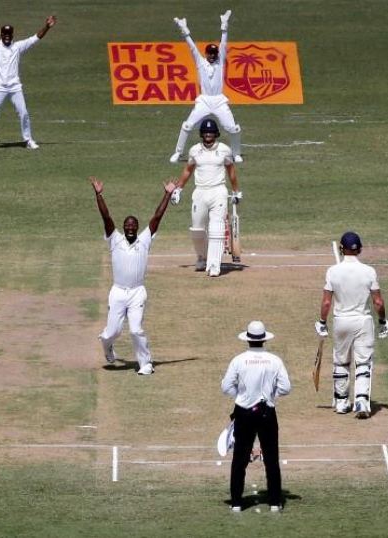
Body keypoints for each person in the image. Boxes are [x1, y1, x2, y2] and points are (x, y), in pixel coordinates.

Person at [90, 176, 176, 375]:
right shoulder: (115, 239)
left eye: (133, 226)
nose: (129, 228)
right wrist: (99, 194)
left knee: (136, 329)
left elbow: (157, 217)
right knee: (112, 332)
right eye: (127, 226)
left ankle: (146, 364)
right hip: (118, 292)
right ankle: (107, 345)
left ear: (137, 228)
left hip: (137, 292)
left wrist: (167, 194)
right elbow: (106, 217)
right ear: (123, 227)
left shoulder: (145, 240)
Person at [315, 231, 388, 419]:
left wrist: (322, 322)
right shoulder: (369, 271)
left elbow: (326, 303)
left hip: (341, 321)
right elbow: (378, 302)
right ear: (360, 250)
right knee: (363, 362)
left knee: (341, 361)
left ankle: (341, 402)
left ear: (342, 249)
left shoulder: (333, 271)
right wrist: (382, 321)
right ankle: (361, 401)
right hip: (363, 322)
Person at [221, 320, 291, 513]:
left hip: (244, 413)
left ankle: (236, 503)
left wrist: (242, 397)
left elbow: (226, 386)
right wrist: (270, 397)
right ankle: (275, 503)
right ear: (263, 340)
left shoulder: (238, 360)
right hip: (267, 412)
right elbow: (286, 388)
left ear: (248, 340)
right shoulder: (274, 360)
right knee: (271, 459)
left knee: (239, 459)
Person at [0, 12, 57, 151]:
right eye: (5, 34)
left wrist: (47, 26)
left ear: (12, 35)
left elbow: (35, 38)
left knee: (24, 113)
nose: (7, 36)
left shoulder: (18, 47)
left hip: (15, 87)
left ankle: (28, 140)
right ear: (1, 35)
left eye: (9, 34)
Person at [170, 118, 241, 277]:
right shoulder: (195, 150)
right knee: (197, 230)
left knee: (216, 228)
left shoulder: (224, 150)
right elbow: (188, 170)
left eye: (211, 132)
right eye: (206, 133)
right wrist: (178, 189)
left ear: (216, 134)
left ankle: (214, 265)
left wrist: (236, 191)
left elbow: (231, 171)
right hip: (200, 192)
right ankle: (202, 257)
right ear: (202, 134)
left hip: (218, 192)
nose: (208, 135)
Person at [170, 10, 243, 164]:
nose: (212, 55)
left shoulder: (220, 62)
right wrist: (185, 31)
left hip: (219, 101)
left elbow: (224, 45)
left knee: (233, 128)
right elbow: (192, 48)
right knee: (187, 126)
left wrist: (224, 27)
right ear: (206, 53)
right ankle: (178, 153)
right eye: (210, 53)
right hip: (204, 101)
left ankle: (236, 154)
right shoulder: (200, 62)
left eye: (214, 53)